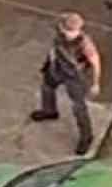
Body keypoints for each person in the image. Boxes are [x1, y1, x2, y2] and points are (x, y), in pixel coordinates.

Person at [32, 11, 102, 155]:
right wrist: (48, 63)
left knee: (79, 107)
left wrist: (95, 83)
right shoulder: (59, 35)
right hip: (57, 68)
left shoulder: (84, 44)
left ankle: (86, 136)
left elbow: (95, 62)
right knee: (47, 87)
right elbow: (54, 49)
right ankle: (49, 111)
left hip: (74, 77)